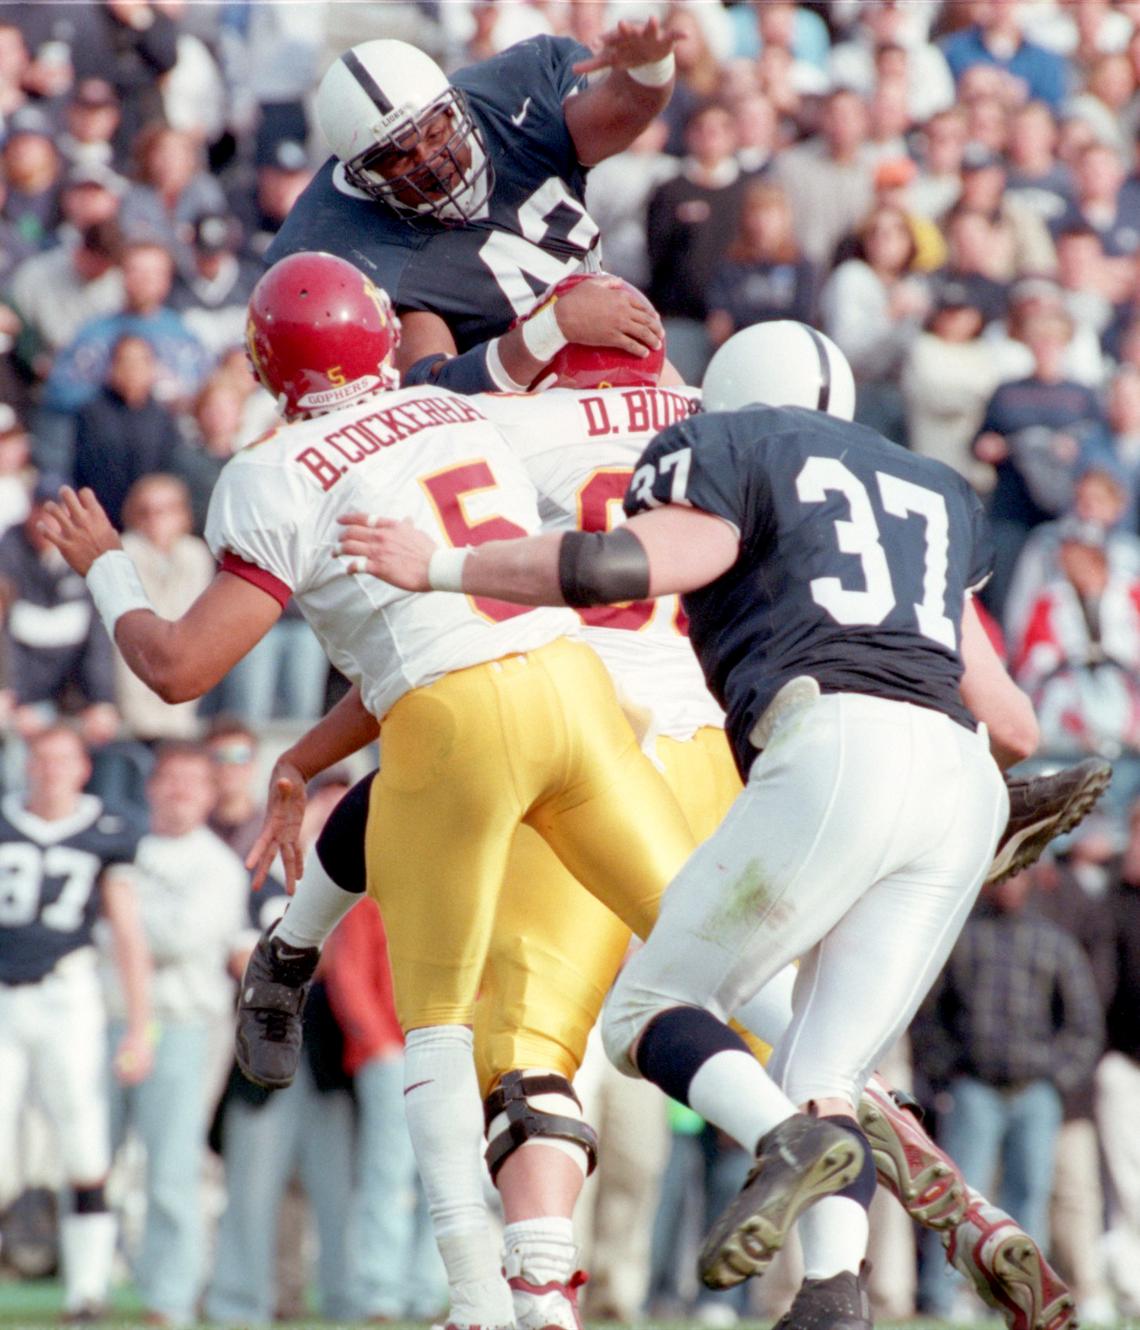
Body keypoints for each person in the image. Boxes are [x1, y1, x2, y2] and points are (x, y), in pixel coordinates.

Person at [336, 319, 1091, 1327]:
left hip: (824, 741)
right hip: (961, 780)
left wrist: (438, 567)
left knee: (644, 1012)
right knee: (826, 1069)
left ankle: (780, 1143)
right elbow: (1016, 724)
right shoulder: (930, 486)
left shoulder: (734, 444)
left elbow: (616, 567)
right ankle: (833, 1295)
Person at [37, 252, 702, 1330]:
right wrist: (302, 757)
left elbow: (178, 668)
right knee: (704, 943)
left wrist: (107, 564)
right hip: (575, 686)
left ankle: (479, 1301)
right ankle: (844, 1151)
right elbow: (450, 619)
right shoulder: (460, 416)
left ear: (267, 366)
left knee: (433, 1028)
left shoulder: (269, 472)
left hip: (452, 719)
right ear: (380, 337)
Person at [266, 19, 679, 389]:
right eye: (399, 156)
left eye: (434, 134)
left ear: (455, 110)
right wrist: (555, 326)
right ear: (363, 177)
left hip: (618, 348)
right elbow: (432, 391)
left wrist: (649, 71)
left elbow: (620, 109)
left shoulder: (510, 107)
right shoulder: (358, 244)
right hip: (516, 414)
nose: (428, 161)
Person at [0, 723, 150, 1319]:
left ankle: (87, 1290)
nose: (51, 772)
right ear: (26, 765)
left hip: (68, 994)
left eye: (63, 760)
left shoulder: (108, 829)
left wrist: (140, 1024)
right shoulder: (6, 819)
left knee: (84, 1138)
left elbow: (127, 931)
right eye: (41, 760)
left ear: (84, 769)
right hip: (3, 996)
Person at [105, 741, 249, 1326]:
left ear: (210, 793)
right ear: (151, 787)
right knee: (94, 1159)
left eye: (193, 781)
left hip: (183, 1023)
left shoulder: (218, 865)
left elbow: (181, 939)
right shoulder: (126, 849)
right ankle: (91, 1285)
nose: (180, 790)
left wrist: (120, 917)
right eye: (170, 779)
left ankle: (171, 1297)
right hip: (109, 1016)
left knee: (172, 1168)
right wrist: (123, 924)